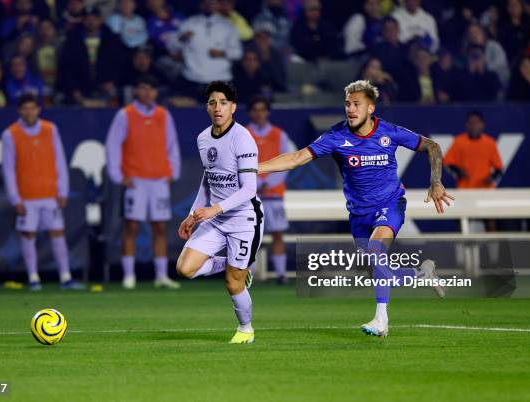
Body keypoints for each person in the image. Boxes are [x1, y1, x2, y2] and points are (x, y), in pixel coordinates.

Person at [258, 80, 453, 337]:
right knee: (378, 270)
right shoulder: (336, 136)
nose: (350, 109)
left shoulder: (389, 132)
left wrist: (435, 181)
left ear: (370, 108)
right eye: (347, 104)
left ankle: (381, 321)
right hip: (359, 214)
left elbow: (432, 146)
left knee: (375, 251)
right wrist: (255, 169)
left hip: (390, 204)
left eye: (356, 104)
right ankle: (421, 274)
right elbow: (296, 158)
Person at [176, 81, 263, 344]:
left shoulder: (242, 137)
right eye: (213, 102)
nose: (218, 108)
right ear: (207, 107)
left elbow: (249, 189)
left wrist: (215, 208)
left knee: (232, 284)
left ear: (233, 107)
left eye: (224, 102)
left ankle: (246, 329)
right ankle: (237, 267)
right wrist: (193, 214)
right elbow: (209, 178)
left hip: (245, 219)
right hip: (216, 218)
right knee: (185, 269)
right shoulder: (203, 138)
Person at [105, 75, 181, 290]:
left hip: (158, 180)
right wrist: (118, 176)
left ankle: (161, 275)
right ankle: (129, 276)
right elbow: (113, 146)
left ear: (156, 92)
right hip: (135, 180)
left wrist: (172, 173)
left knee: (159, 227)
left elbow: (171, 145)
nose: (147, 93)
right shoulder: (125, 115)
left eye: (151, 89)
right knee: (131, 226)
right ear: (136, 91)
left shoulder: (163, 115)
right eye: (143, 88)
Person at [1, 94, 82, 291]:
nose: (29, 112)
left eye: (32, 108)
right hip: (26, 196)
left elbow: (60, 161)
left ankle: (65, 277)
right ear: (19, 111)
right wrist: (15, 198)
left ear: (38, 109)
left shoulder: (50, 129)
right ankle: (34, 278)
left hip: (49, 193)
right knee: (28, 235)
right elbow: (8, 168)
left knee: (58, 234)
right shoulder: (10, 134)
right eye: (25, 108)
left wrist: (62, 190)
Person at [246, 96, 290, 284]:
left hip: (274, 194)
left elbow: (286, 162)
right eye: (255, 109)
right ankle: (249, 274)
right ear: (250, 113)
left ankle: (281, 274)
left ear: (268, 112)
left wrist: (267, 182)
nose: (259, 113)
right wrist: (254, 183)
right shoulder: (243, 133)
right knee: (249, 235)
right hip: (250, 195)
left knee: (277, 233)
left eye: (262, 109)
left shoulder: (279, 134)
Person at [168, 0, 242, 101]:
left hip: (220, 79)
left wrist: (223, 53)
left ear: (218, 5)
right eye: (206, 2)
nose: (209, 5)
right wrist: (182, 38)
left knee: (218, 116)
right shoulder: (189, 23)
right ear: (201, 4)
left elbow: (238, 53)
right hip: (192, 78)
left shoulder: (228, 26)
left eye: (213, 2)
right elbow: (172, 47)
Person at [444, 111, 503, 189]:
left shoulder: (490, 143)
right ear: (466, 125)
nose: (474, 126)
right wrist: (458, 172)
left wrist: (491, 178)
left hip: (486, 189)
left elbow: (499, 168)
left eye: (477, 123)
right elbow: (447, 163)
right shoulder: (459, 142)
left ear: (482, 125)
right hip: (465, 189)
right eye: (471, 123)